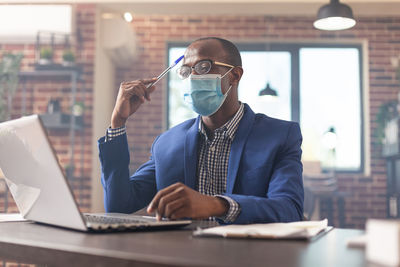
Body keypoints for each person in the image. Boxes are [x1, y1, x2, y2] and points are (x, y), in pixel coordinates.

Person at [98, 37, 304, 224]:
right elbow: (119, 206)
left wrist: (218, 205)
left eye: (203, 67)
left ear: (235, 75)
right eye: (186, 71)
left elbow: (289, 210)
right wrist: (118, 122)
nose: (193, 77)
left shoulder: (280, 136)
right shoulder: (167, 144)